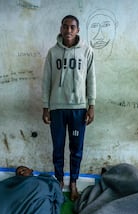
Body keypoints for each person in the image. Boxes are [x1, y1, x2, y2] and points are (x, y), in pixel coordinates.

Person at [42, 15, 96, 201]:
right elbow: (46, 81)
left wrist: (91, 105)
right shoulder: (52, 53)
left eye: (72, 27)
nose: (69, 30)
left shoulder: (87, 51)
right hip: (57, 107)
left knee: (76, 148)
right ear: (61, 28)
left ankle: (73, 182)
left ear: (78, 30)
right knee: (58, 148)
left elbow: (91, 80)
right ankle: (59, 180)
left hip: (78, 108)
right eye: (65, 27)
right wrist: (45, 106)